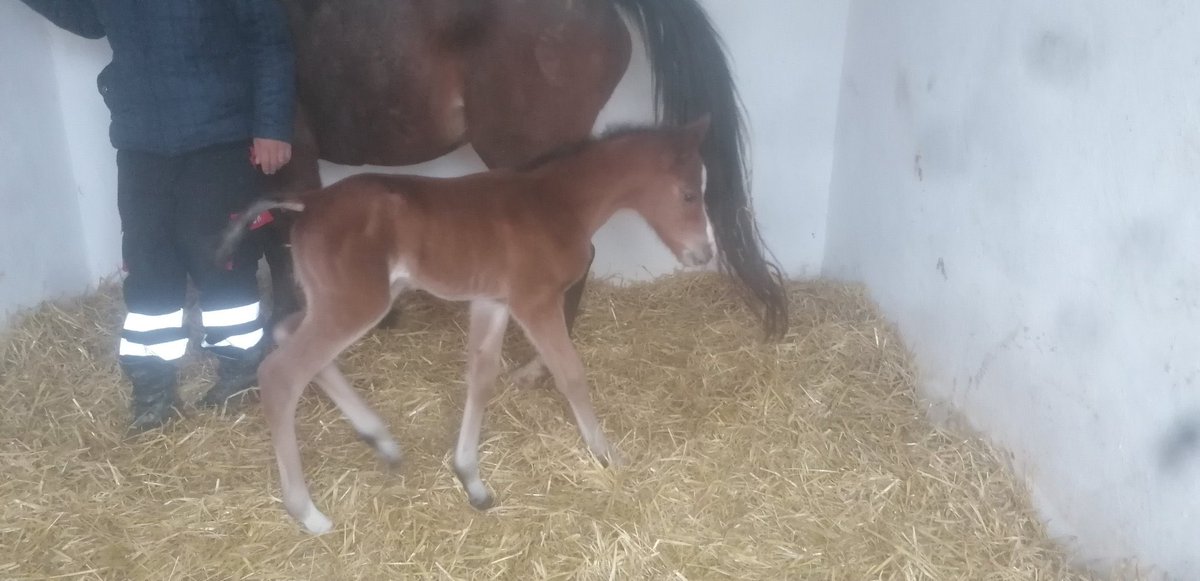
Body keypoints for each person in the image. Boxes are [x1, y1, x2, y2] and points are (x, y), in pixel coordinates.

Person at [18, 0, 296, 432]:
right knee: (147, 264)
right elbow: (89, 19)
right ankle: (152, 388)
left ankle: (241, 368)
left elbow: (269, 41)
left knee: (223, 259)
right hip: (140, 142)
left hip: (218, 136)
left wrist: (272, 128)